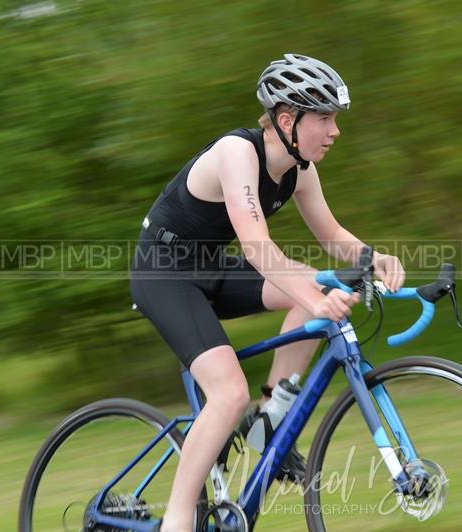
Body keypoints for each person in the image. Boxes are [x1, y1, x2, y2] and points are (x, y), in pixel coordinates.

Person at [129, 53, 405, 531]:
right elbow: (257, 246)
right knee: (228, 392)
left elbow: (331, 235)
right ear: (286, 120)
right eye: (324, 119)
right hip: (163, 274)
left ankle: (271, 419)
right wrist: (316, 300)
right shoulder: (237, 153)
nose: (334, 131)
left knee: (314, 279)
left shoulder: (300, 169)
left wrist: (371, 257)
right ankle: (177, 520)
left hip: (209, 267)